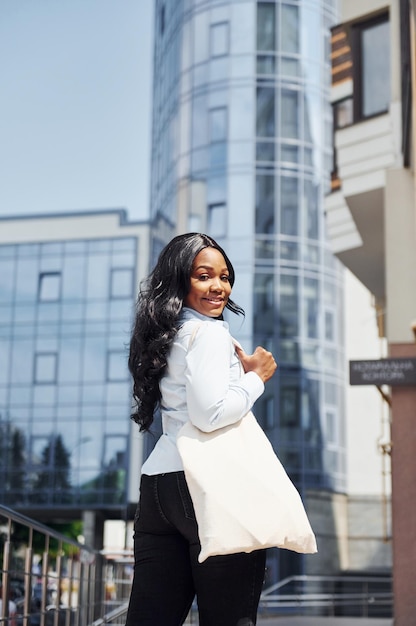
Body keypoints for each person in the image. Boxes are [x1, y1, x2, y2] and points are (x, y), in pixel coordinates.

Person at [125, 233, 277, 626]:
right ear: (180, 280)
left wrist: (235, 379)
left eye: (225, 277)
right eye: (203, 276)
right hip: (211, 483)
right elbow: (209, 414)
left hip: (159, 484)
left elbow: (190, 400)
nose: (219, 287)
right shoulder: (210, 332)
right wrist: (257, 378)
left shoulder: (167, 333)